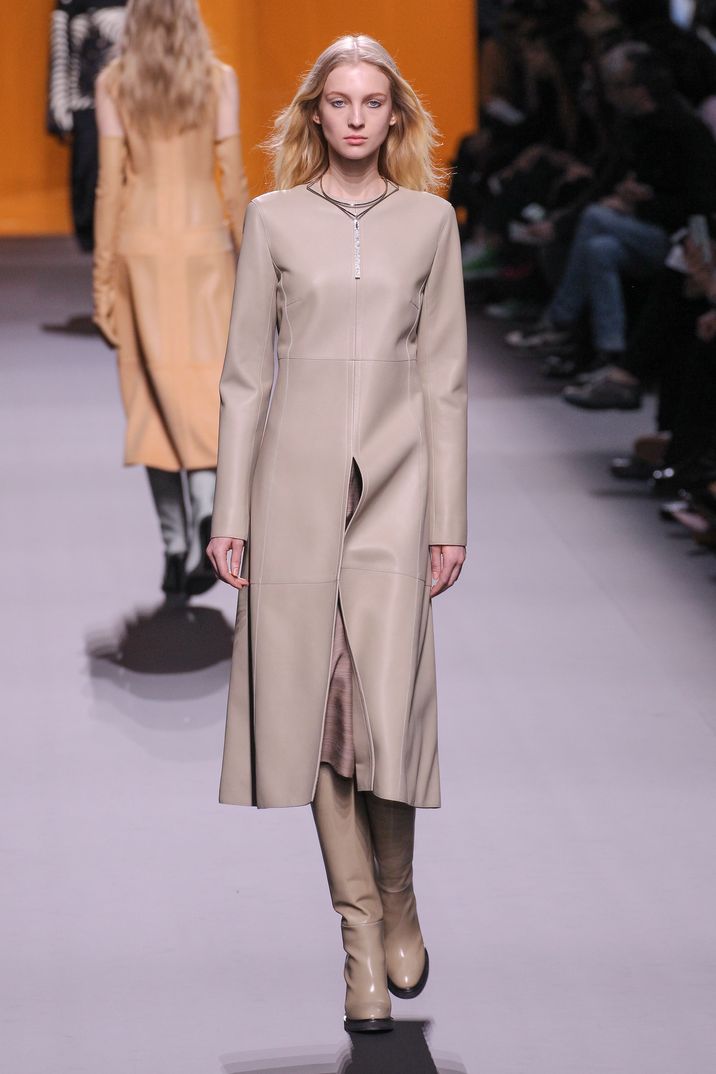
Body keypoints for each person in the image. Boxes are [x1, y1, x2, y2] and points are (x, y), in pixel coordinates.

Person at [207, 35, 468, 1034]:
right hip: (292, 492)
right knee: (314, 714)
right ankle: (360, 939)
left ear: (394, 115)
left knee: (385, 710)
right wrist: (231, 512)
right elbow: (244, 378)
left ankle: (397, 895)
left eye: (372, 102)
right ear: (315, 113)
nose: (355, 118)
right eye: (338, 102)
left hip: (399, 489)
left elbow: (444, 380)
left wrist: (448, 516)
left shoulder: (430, 224)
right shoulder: (272, 219)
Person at [92, 0, 249, 596]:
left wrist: (102, 279)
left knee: (151, 401)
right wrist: (254, 257)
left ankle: (173, 548)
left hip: (142, 248)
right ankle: (208, 514)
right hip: (205, 245)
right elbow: (232, 178)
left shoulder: (115, 83)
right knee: (206, 389)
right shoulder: (218, 79)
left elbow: (110, 188)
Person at [47, 0, 127, 251]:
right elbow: (62, 54)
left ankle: (121, 229)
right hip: (85, 101)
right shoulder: (71, 4)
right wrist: (59, 106)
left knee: (126, 166)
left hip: (128, 99)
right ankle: (89, 234)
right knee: (87, 168)